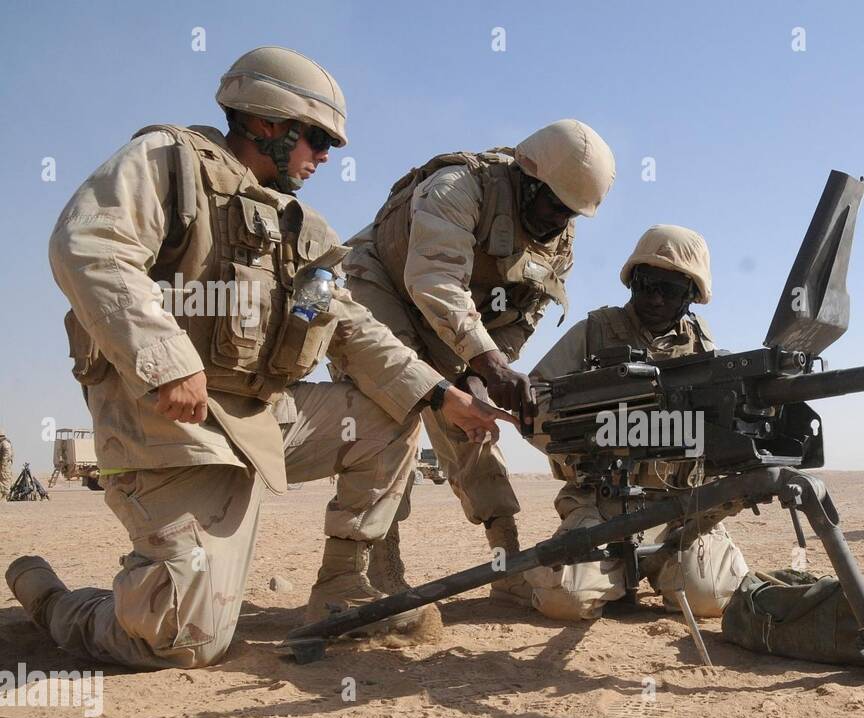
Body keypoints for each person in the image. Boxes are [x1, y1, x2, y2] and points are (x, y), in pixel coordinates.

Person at [6, 47, 510, 670]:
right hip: (169, 428)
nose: (325, 157)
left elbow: (351, 327)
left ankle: (342, 586)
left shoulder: (304, 230)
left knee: (391, 411)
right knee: (183, 639)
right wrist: (164, 360)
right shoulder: (170, 163)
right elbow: (88, 243)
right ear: (269, 124)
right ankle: (54, 600)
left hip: (261, 420)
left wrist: (441, 395)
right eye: (318, 139)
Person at [340, 120, 615, 601]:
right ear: (529, 179)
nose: (559, 222)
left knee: (475, 425)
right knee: (389, 413)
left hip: (458, 325)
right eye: (554, 205)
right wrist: (489, 363)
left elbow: (524, 316)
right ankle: (378, 566)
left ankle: (505, 562)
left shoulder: (560, 242)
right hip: (385, 289)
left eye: (571, 214)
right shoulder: (458, 187)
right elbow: (434, 282)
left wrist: (485, 373)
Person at [524, 225, 749, 620]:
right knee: (566, 601)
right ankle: (565, 573)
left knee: (709, 598)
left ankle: (659, 565)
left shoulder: (704, 348)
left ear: (692, 296)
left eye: (670, 289)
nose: (655, 298)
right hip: (603, 505)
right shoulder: (595, 332)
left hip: (681, 509)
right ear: (632, 282)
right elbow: (533, 399)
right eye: (646, 285)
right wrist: (596, 432)